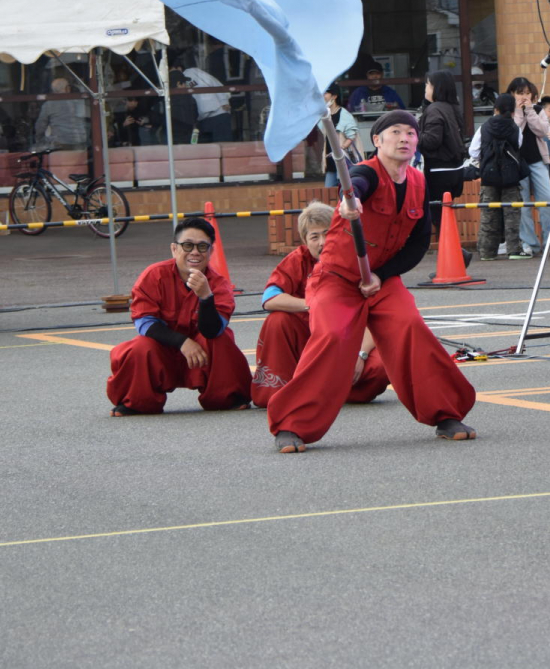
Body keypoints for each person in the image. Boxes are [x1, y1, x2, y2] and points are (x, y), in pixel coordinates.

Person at [267, 110, 476, 452]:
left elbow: (419, 243)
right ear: (377, 140)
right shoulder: (365, 172)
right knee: (332, 337)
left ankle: (445, 414)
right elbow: (357, 186)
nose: (405, 138)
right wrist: (352, 203)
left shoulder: (419, 183)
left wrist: (381, 276)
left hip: (381, 279)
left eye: (411, 132)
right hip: (336, 279)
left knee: (410, 327)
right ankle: (292, 425)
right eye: (395, 132)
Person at [106, 217, 252, 415]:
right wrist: (183, 342)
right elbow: (144, 323)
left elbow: (213, 330)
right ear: (174, 249)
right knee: (141, 346)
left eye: (202, 246)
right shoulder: (153, 275)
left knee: (221, 339)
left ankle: (225, 397)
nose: (194, 252)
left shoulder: (219, 284)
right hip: (163, 351)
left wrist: (206, 297)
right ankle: (138, 401)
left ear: (211, 251)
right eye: (187, 245)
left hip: (202, 355)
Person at [251, 201, 389, 409]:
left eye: (327, 233)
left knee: (380, 367)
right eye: (314, 237)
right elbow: (270, 298)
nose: (322, 242)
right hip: (309, 337)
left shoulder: (358, 260)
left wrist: (360, 355)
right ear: (305, 241)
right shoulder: (297, 260)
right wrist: (315, 305)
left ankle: (334, 390)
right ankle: (282, 391)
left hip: (349, 341)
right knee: (278, 320)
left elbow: (375, 314)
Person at [507, 76, 550, 257]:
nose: (524, 96)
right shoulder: (509, 111)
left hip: (538, 161)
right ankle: (529, 244)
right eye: (519, 93)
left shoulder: (538, 109)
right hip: (517, 164)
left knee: (547, 200)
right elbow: (514, 131)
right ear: (512, 94)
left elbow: (542, 131)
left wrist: (529, 110)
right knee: (522, 205)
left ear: (532, 94)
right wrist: (518, 111)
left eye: (527, 93)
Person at [470, 93, 527, 261]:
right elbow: (519, 145)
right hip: (510, 175)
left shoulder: (485, 127)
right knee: (512, 213)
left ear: (495, 108)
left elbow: (472, 150)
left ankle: (487, 252)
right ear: (512, 110)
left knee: (489, 213)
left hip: (489, 175)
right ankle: (514, 250)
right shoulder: (515, 128)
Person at [418, 70, 466, 234]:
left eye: (428, 84)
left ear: (436, 88)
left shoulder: (435, 110)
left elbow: (431, 141)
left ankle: (454, 254)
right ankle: (453, 253)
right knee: (445, 214)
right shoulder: (453, 107)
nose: (425, 88)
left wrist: (412, 136)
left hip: (439, 171)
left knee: (439, 217)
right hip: (455, 170)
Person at [318, 83, 360, 187]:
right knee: (329, 190)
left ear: (334, 96)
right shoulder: (324, 114)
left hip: (343, 160)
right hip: (330, 160)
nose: (323, 96)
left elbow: (351, 135)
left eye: (326, 93)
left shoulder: (344, 114)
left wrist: (341, 149)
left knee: (344, 190)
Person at [179, 60, 233, 143]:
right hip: (202, 119)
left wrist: (224, 100)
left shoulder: (192, 71)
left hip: (218, 112)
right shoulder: (176, 82)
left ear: (178, 68)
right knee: (210, 150)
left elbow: (214, 82)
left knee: (224, 146)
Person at [33, 72, 89, 150]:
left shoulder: (49, 104)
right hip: (80, 142)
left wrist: (38, 138)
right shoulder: (77, 101)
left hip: (60, 144)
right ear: (67, 88)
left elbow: (41, 125)